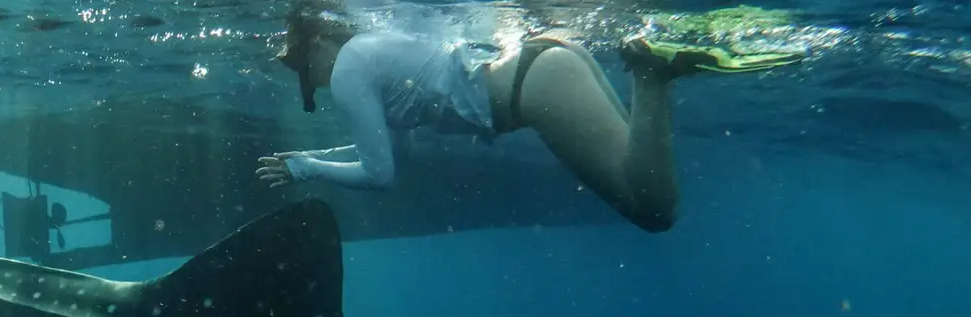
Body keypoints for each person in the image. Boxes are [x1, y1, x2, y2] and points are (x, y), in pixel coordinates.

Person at [257, 0, 804, 232]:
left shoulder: (350, 68)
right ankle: (654, 67)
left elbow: (380, 175)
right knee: (648, 191)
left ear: (315, 48)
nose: (309, 81)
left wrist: (306, 169)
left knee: (655, 211)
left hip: (534, 90)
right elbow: (385, 155)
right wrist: (307, 159)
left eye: (301, 68)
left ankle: (652, 73)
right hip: (541, 65)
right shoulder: (370, 50)